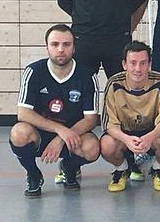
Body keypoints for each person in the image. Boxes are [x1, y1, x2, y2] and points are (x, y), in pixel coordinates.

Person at [55, 0, 146, 183]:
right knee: (76, 99)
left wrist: (121, 19)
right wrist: (85, 18)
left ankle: (131, 160)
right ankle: (70, 163)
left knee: (126, 99)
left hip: (117, 40)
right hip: (83, 40)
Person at [9, 24, 100, 197]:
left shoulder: (87, 75)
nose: (60, 49)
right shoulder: (33, 71)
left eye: (66, 44)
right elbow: (23, 113)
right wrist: (59, 129)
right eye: (55, 44)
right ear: (47, 47)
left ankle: (69, 167)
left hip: (72, 135)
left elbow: (90, 119)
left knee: (92, 147)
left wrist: (62, 137)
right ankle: (33, 174)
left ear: (74, 48)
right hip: (40, 134)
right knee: (19, 133)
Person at [99, 41, 160, 192]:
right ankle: (122, 169)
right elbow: (110, 124)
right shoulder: (113, 84)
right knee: (107, 145)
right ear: (124, 64)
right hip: (125, 135)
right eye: (133, 63)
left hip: (153, 134)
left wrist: (149, 138)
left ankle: (159, 168)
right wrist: (126, 139)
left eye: (143, 63)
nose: (138, 69)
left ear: (149, 64)